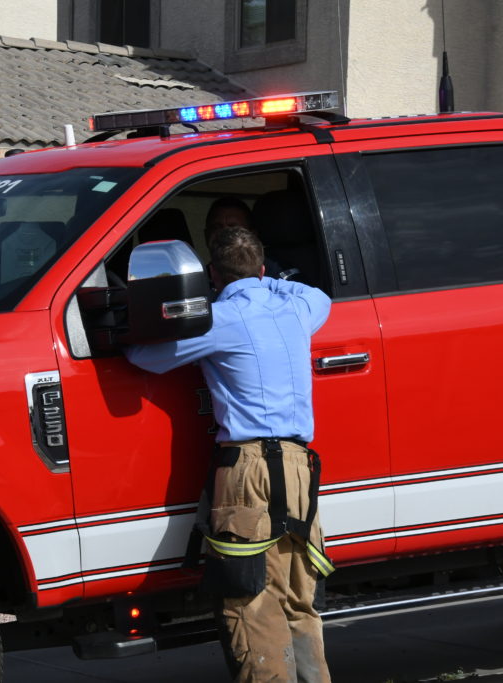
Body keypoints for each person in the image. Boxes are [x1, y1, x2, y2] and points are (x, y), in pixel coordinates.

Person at [124, 226, 333, 682]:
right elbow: (319, 296)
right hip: (300, 469)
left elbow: (144, 357)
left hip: (248, 470)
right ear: (262, 268)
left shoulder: (218, 318)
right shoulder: (296, 308)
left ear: (212, 274)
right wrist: (266, 281)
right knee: (300, 600)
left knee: (250, 600)